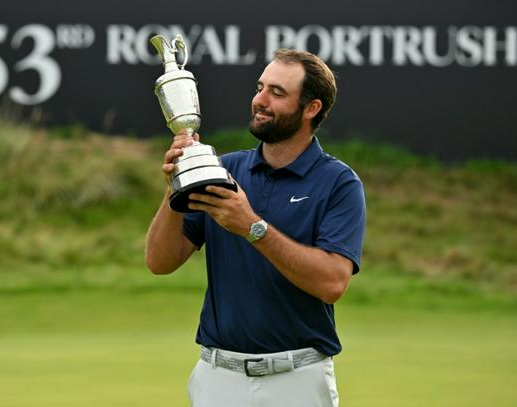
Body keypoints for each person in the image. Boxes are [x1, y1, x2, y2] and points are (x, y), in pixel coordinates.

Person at [145, 48, 366, 407]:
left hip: (298, 379)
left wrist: (252, 226)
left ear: (311, 108)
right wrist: (175, 185)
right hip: (218, 378)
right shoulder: (224, 170)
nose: (260, 100)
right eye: (260, 88)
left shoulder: (339, 183)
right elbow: (159, 261)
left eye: (277, 93)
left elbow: (331, 283)